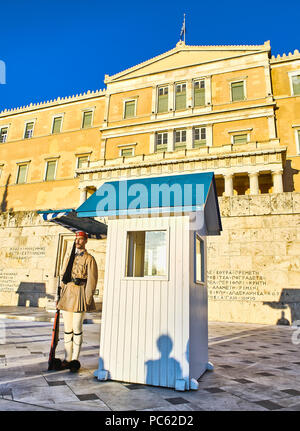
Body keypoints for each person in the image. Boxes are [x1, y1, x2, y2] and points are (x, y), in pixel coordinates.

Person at [57, 230, 98, 372]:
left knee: (77, 328)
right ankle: (67, 358)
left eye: (80, 239)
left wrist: (87, 298)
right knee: (67, 329)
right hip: (68, 292)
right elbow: (63, 274)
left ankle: (75, 359)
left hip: (80, 292)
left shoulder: (89, 259)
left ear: (85, 241)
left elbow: (92, 281)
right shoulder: (69, 257)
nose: (78, 241)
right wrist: (60, 293)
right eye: (76, 239)